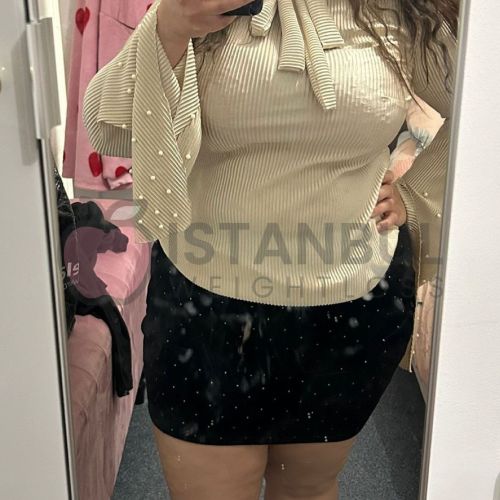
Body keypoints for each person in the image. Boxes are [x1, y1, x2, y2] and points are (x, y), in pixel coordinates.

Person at [83, 0, 458, 498]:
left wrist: (414, 193)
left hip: (352, 304)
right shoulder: (201, 7)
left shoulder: (398, 12)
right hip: (205, 304)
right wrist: (169, 28)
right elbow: (108, 128)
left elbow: (480, 101)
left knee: (309, 488)